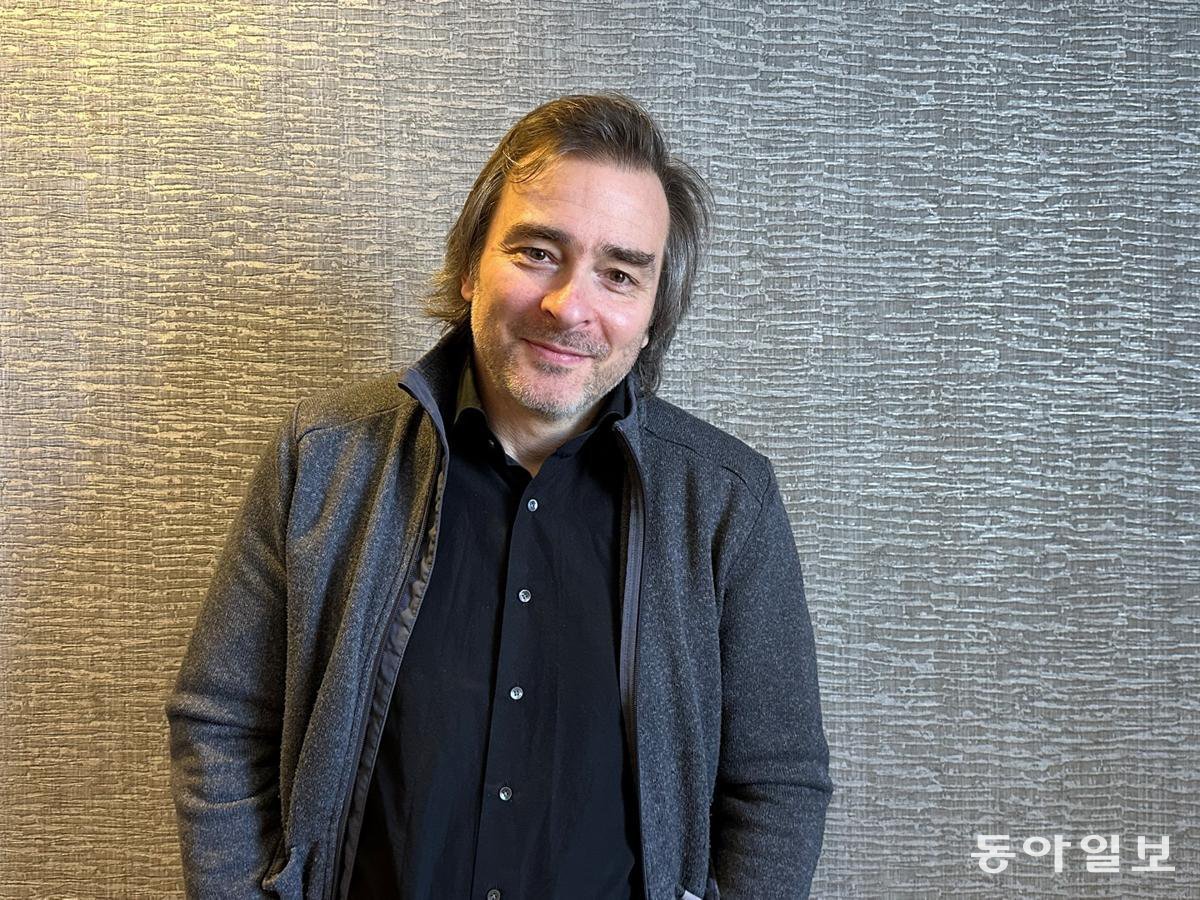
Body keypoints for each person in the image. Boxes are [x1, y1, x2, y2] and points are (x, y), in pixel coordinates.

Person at [166, 92, 831, 900]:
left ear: (653, 314)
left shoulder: (728, 502)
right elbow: (223, 719)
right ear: (469, 264)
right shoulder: (321, 460)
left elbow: (777, 785)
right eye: (539, 252)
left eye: (620, 274)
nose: (570, 306)